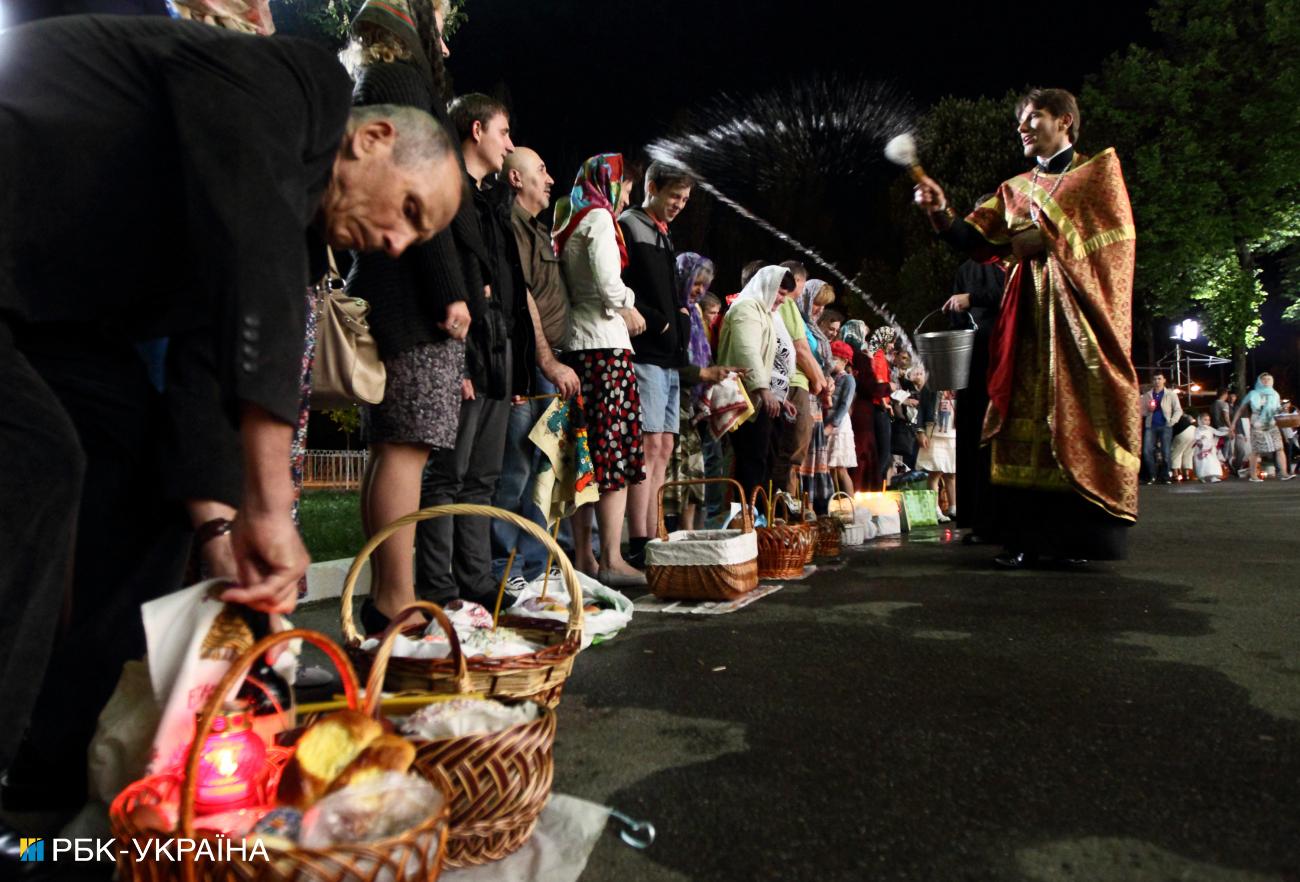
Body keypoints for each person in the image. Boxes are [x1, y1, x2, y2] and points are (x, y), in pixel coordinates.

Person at [0, 13, 460, 805]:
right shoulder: (291, 82)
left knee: (151, 484)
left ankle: (51, 782)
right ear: (374, 137)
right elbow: (255, 251)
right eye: (412, 213)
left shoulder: (281, 215)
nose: (396, 245)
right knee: (40, 460)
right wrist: (273, 505)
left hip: (46, 316)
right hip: (24, 271)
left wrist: (220, 530)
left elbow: (207, 368)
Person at [914, 87, 1140, 568]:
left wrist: (1050, 240)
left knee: (1076, 419)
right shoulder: (1014, 188)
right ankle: (1021, 538)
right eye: (1020, 119)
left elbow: (1116, 250)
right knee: (1018, 424)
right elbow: (973, 238)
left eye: (1033, 117)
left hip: (1078, 327)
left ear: (1064, 121)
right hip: (1025, 328)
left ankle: (1079, 539)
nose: (1022, 126)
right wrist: (939, 209)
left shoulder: (1096, 175)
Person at [345, 0, 474, 633]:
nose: (443, 32)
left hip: (390, 290)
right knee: (407, 448)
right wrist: (450, 289)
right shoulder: (402, 83)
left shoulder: (376, 80)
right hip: (412, 296)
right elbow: (421, 192)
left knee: (392, 446)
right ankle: (396, 600)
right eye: (440, 18)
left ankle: (387, 596)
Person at [488, 146, 581, 587]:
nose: (550, 179)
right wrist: (546, 359)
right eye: (541, 171)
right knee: (516, 468)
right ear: (515, 180)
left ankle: (532, 567)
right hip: (528, 363)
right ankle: (506, 567)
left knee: (540, 470)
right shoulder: (509, 226)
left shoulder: (536, 229)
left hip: (548, 364)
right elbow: (522, 297)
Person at [553, 154, 647, 586]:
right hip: (605, 348)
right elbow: (609, 282)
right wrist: (627, 305)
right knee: (616, 455)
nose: (627, 195)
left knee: (585, 456)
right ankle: (612, 558)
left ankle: (586, 559)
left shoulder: (571, 220)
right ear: (611, 182)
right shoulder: (600, 220)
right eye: (627, 186)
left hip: (577, 348)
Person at [621, 162, 693, 567]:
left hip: (668, 357)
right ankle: (638, 541)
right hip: (645, 352)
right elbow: (618, 284)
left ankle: (655, 532)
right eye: (674, 197)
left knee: (664, 444)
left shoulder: (665, 236)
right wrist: (659, 321)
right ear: (652, 187)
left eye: (684, 200)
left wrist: (679, 321)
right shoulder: (629, 225)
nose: (679, 206)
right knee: (646, 445)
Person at [941, 208, 1005, 542]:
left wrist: (973, 299)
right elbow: (956, 316)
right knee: (975, 439)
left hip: (1004, 359)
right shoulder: (967, 268)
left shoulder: (1013, 264)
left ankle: (1000, 520)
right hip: (976, 360)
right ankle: (981, 520)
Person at [716, 266, 799, 499]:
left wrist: (778, 398)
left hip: (756, 398)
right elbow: (748, 351)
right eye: (780, 293)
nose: (782, 300)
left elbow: (770, 359)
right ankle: (746, 515)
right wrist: (763, 389)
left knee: (762, 458)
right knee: (750, 458)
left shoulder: (763, 312)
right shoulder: (746, 308)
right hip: (743, 398)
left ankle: (758, 513)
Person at [771, 261, 829, 495]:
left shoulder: (794, 308)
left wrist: (821, 378)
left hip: (802, 383)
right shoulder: (787, 305)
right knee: (792, 446)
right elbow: (800, 348)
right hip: (793, 382)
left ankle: (788, 501)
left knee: (797, 447)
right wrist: (819, 381)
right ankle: (782, 504)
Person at [796, 280, 837, 513]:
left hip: (818, 396)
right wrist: (821, 379)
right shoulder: (798, 325)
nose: (819, 309)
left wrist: (828, 378)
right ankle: (803, 507)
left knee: (814, 455)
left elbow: (824, 364)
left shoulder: (813, 327)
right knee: (803, 453)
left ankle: (814, 506)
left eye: (823, 305)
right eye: (817, 304)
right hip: (806, 392)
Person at [1230, 373, 1293, 482]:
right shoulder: (1253, 393)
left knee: (1279, 447)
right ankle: (1253, 475)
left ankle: (1283, 473)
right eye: (1263, 379)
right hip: (1257, 423)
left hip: (1271, 422)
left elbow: (1277, 410)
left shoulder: (1275, 394)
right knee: (1256, 450)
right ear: (1259, 381)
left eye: (1268, 379)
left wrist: (1283, 409)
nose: (1266, 381)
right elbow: (1241, 409)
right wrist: (1233, 424)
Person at [917, 386, 957, 521]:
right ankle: (934, 509)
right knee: (935, 472)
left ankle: (953, 508)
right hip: (934, 433)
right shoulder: (931, 384)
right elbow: (921, 408)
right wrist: (920, 431)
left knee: (951, 473)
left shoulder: (957, 382)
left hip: (952, 433)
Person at [825, 340, 859, 495]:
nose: (831, 361)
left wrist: (833, 424)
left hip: (839, 426)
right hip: (827, 422)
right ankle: (835, 502)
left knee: (840, 467)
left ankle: (850, 503)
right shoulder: (829, 377)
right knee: (830, 467)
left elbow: (845, 404)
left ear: (845, 361)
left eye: (835, 358)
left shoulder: (848, 379)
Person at [1139, 374, 1183, 485]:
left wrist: (1172, 421)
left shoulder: (1170, 394)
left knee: (1166, 451)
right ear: (1152, 381)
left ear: (1164, 380)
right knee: (1147, 451)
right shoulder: (1147, 395)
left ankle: (1166, 475)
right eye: (1154, 379)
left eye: (1159, 379)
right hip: (1151, 426)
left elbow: (1178, 409)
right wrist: (1149, 410)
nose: (1157, 381)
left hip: (1165, 425)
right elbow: (1141, 412)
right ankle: (1152, 475)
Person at [1192, 412, 1229, 483]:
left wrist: (1227, 432)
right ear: (1200, 420)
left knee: (1212, 462)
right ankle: (1202, 476)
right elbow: (1196, 437)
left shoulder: (1210, 429)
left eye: (1208, 420)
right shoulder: (1198, 429)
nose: (1207, 422)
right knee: (1203, 463)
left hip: (1210, 449)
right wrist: (1200, 439)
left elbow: (1218, 432)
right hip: (1201, 449)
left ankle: (1213, 477)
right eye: (1205, 420)